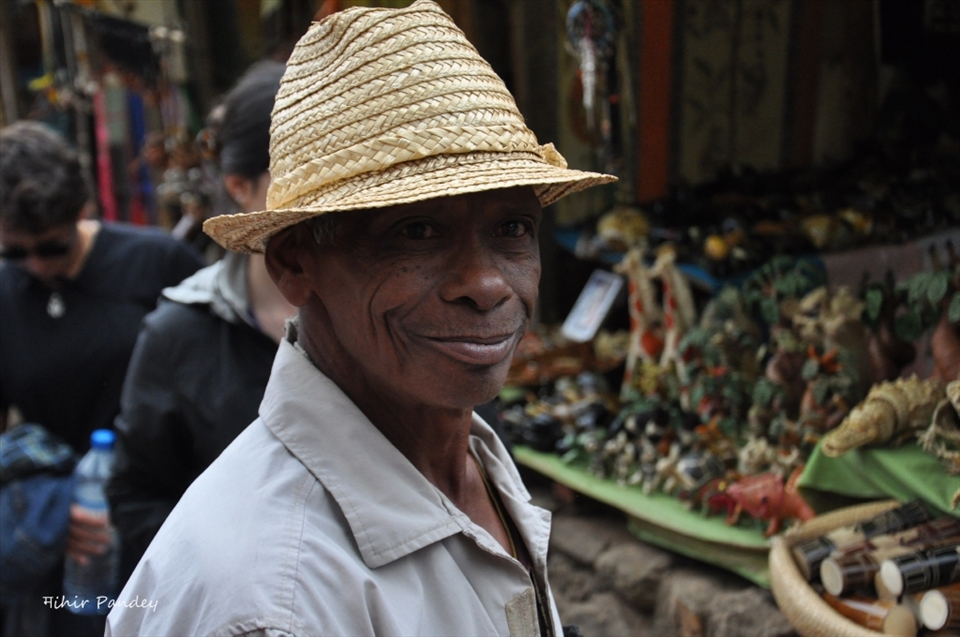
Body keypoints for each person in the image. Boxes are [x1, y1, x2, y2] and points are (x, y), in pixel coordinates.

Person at [107, 1, 615, 635]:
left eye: (513, 228)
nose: (486, 285)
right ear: (293, 264)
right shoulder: (274, 604)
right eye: (418, 231)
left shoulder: (466, 456)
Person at [0, 121, 203, 636]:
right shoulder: (5, 294)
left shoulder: (157, 261)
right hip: (74, 536)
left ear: (83, 212)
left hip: (170, 515)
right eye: (15, 253)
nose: (37, 265)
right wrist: (44, 508)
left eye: (52, 247)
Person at [106, 60, 295, 584]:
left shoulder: (401, 316)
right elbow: (137, 496)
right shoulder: (180, 335)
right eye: (300, 173)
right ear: (240, 185)